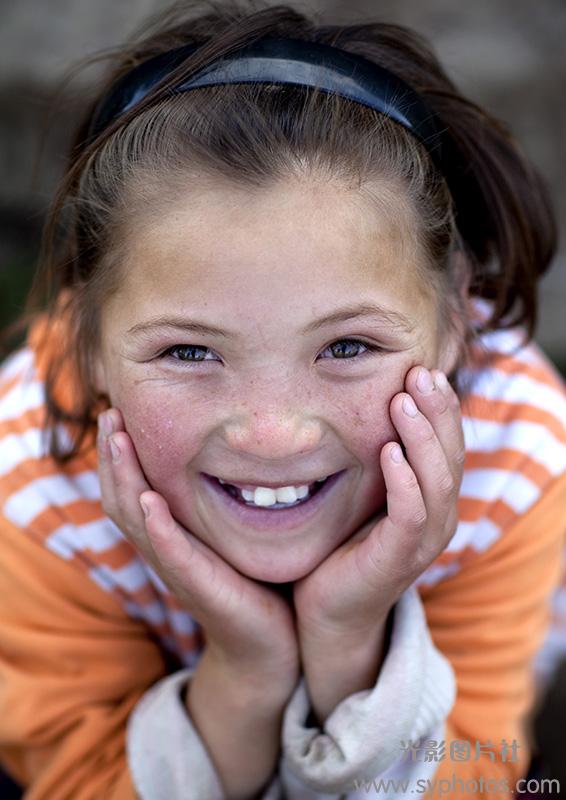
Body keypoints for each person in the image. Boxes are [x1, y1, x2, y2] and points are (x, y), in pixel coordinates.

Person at [1, 1, 565, 798]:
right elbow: (75, 780)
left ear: (452, 320)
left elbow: (471, 772)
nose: (273, 434)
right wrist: (245, 667)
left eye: (347, 346)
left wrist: (349, 637)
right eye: (190, 351)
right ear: (86, 341)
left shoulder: (519, 455)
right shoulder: (33, 474)